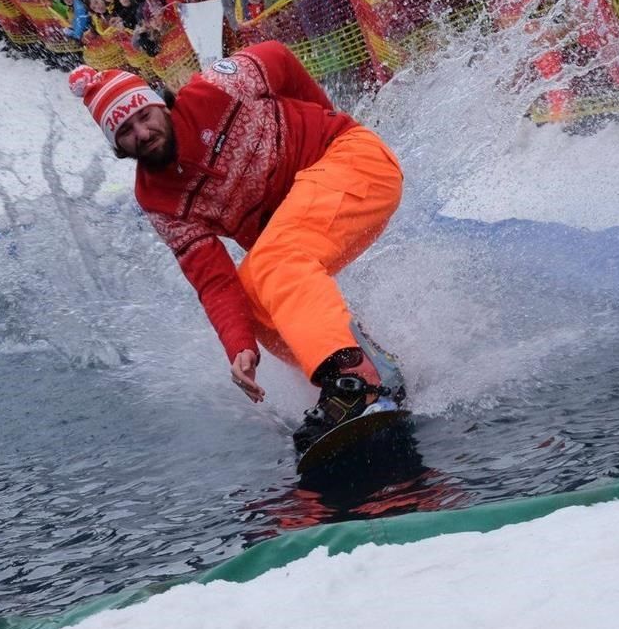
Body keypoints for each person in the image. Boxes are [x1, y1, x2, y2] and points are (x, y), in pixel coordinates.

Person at [66, 45, 406, 452]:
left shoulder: (216, 88)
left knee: (277, 260)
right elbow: (214, 281)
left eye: (144, 116)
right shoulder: (156, 198)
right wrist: (240, 347)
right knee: (253, 298)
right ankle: (370, 368)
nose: (142, 133)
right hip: (304, 217)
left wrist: (328, 118)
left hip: (351, 160)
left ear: (160, 104)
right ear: (118, 147)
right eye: (125, 131)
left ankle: (353, 381)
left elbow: (278, 57)